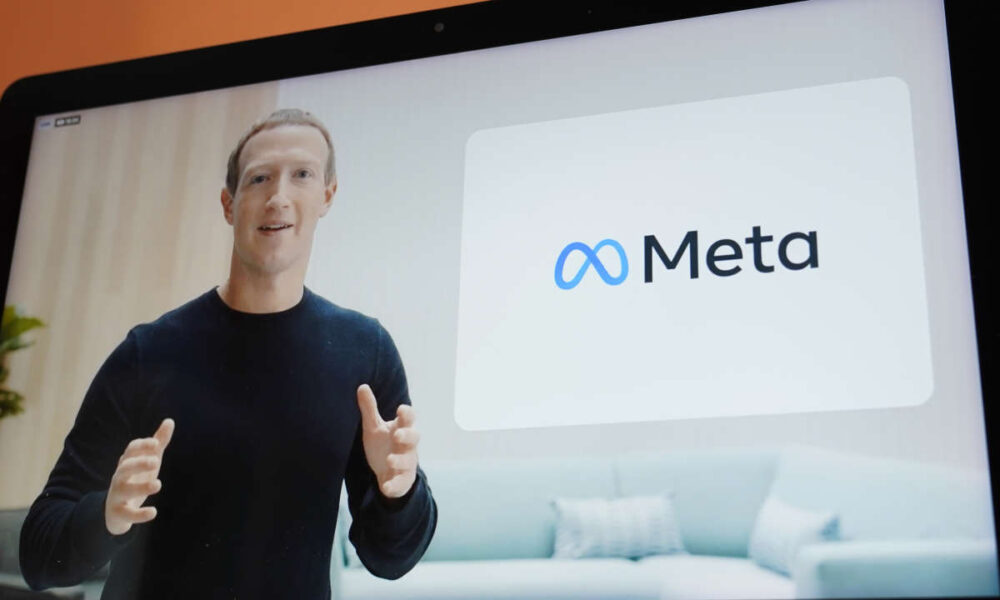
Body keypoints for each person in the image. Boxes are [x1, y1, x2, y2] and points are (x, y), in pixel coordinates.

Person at [19, 109, 437, 599]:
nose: (278, 196)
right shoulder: (147, 353)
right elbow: (38, 554)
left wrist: (398, 491)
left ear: (327, 195)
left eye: (302, 175)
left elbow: (390, 560)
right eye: (259, 178)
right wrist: (107, 514)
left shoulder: (365, 352)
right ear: (228, 203)